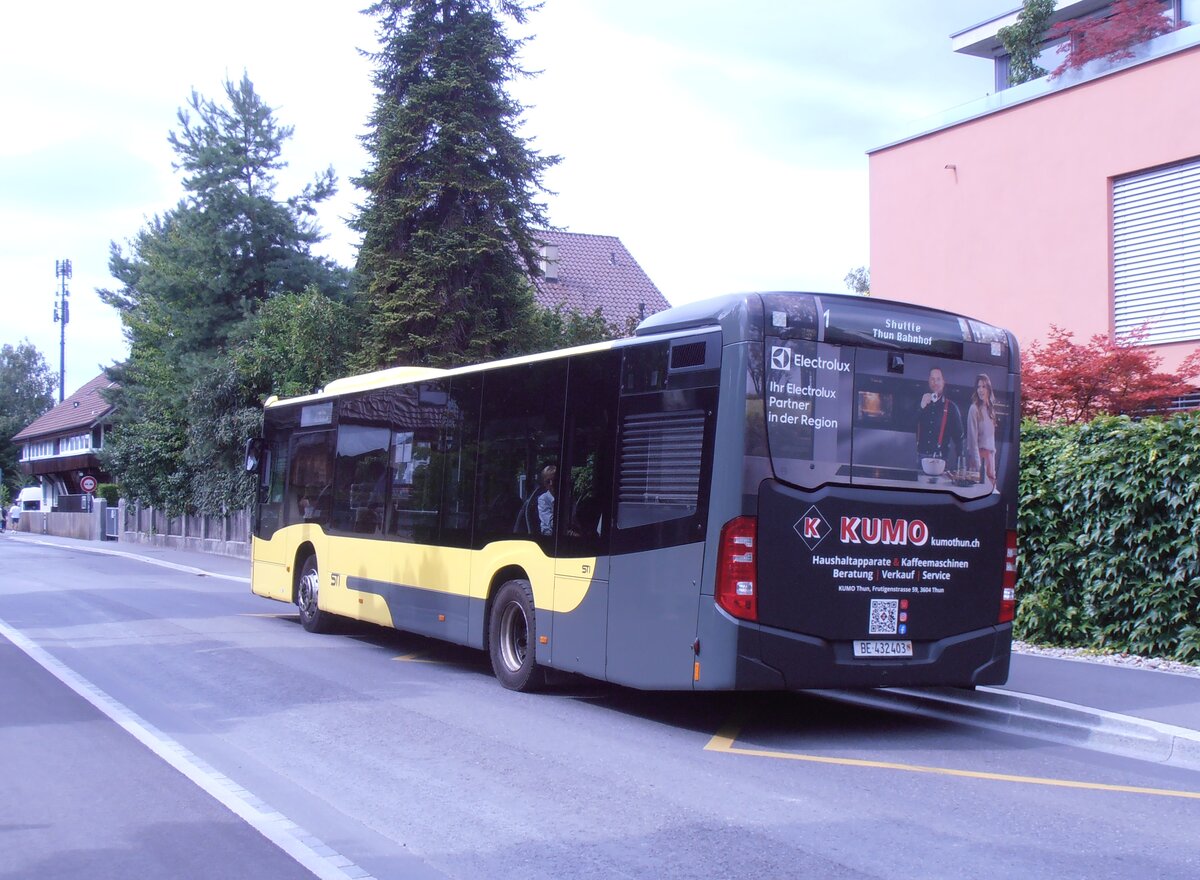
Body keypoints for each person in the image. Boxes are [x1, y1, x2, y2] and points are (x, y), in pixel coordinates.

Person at [916, 367, 964, 470]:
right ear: (929, 381)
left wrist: (961, 466)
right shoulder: (920, 403)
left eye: (938, 379)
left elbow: (959, 438)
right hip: (921, 459)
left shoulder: (951, 407)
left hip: (940, 460)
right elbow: (909, 425)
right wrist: (921, 406)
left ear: (943, 382)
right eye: (932, 379)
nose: (935, 382)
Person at [966, 373, 999, 489]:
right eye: (978, 387)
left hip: (990, 457)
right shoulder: (974, 409)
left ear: (988, 389)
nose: (981, 390)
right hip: (978, 457)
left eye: (983, 386)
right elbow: (972, 441)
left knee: (991, 491)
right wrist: (978, 464)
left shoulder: (991, 410)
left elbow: (991, 440)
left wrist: (992, 461)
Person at [536, 465, 556, 536]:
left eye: (554, 480)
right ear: (544, 484)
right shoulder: (543, 499)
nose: (552, 484)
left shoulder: (567, 498)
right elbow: (552, 523)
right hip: (548, 536)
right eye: (548, 481)